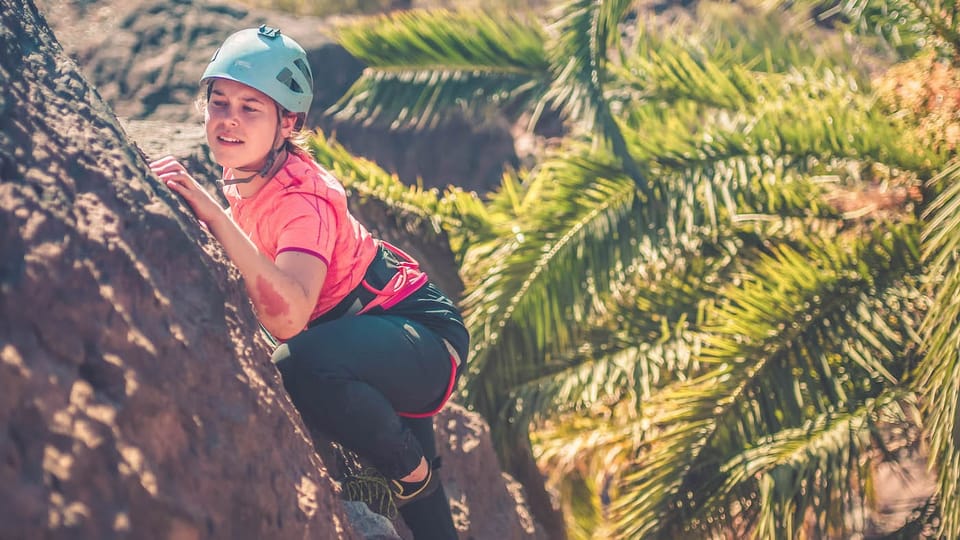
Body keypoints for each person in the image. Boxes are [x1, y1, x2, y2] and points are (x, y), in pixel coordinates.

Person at [150, 25, 467, 539]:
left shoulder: (303, 200)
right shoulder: (250, 171)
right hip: (367, 333)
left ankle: (411, 471)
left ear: (287, 121)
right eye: (219, 102)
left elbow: (290, 316)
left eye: (251, 108)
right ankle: (417, 482)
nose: (228, 120)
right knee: (428, 517)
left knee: (299, 365)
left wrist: (213, 216)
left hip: (418, 335)